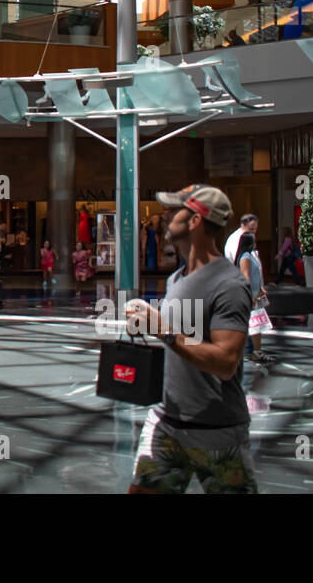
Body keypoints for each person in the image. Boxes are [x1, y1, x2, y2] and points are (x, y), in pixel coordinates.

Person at [123, 183, 256, 494]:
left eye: (173, 211)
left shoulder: (230, 285)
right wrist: (147, 321)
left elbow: (225, 362)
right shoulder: (176, 279)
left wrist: (165, 332)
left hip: (218, 431)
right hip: (167, 420)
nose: (165, 215)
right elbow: (182, 339)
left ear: (196, 221)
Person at [235, 232, 272, 364]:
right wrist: (250, 295)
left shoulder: (250, 256)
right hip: (251, 295)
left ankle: (255, 351)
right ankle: (255, 351)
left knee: (255, 325)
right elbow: (246, 277)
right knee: (255, 325)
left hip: (255, 294)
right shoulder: (245, 257)